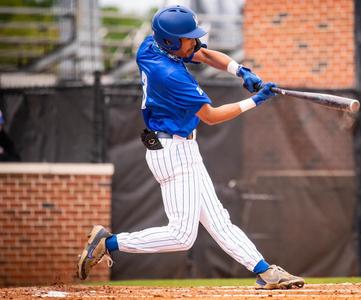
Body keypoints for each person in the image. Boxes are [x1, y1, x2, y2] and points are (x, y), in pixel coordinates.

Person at [77, 6, 304, 290]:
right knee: (182, 236)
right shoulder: (170, 75)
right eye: (188, 38)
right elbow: (210, 116)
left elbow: (205, 54)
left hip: (179, 148)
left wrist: (241, 70)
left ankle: (265, 271)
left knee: (219, 220)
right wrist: (255, 101)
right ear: (171, 42)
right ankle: (109, 243)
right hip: (173, 151)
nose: (195, 42)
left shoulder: (152, 45)